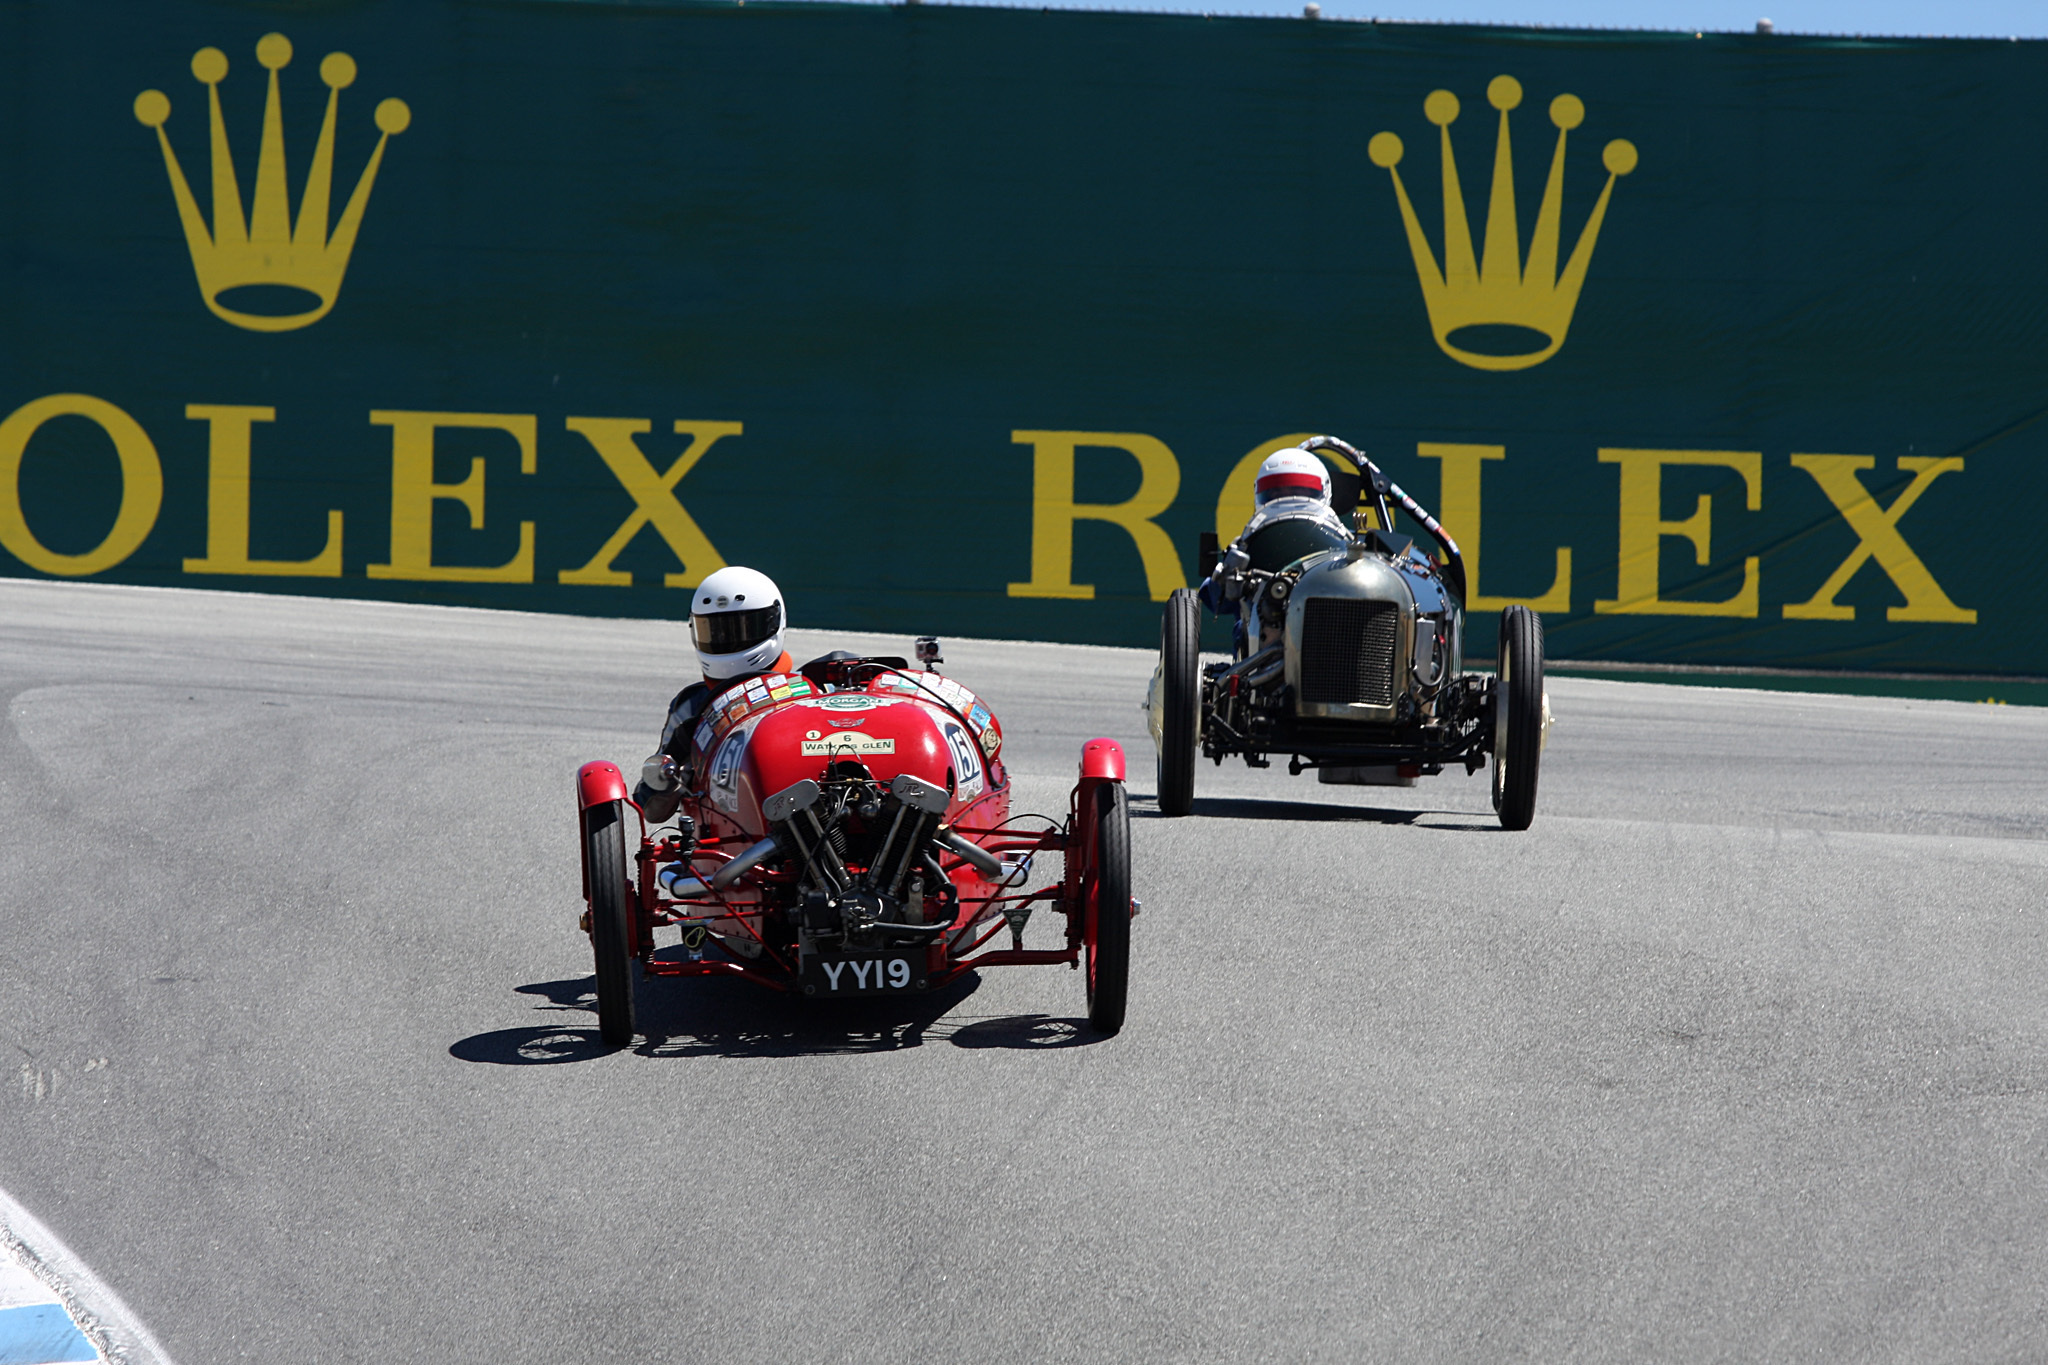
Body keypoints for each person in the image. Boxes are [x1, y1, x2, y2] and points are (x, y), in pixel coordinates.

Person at [633, 565, 792, 822]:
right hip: (721, 835)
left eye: (743, 628)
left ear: (774, 622)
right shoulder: (692, 706)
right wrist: (679, 766)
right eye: (714, 631)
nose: (726, 640)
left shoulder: (809, 691)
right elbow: (651, 809)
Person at [1198, 447, 1353, 652]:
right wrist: (1228, 572)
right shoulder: (1245, 546)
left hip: (1337, 634)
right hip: (1259, 649)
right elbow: (1214, 598)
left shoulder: (1347, 543)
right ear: (1261, 493)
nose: (1289, 501)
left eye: (1302, 492)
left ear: (1323, 492)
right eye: (1277, 493)